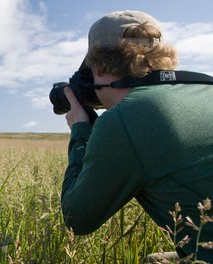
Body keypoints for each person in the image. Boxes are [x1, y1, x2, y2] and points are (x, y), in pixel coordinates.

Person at [59, 10, 213, 262]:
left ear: (98, 66)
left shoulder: (124, 119)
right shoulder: (204, 88)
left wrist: (80, 131)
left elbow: (77, 220)